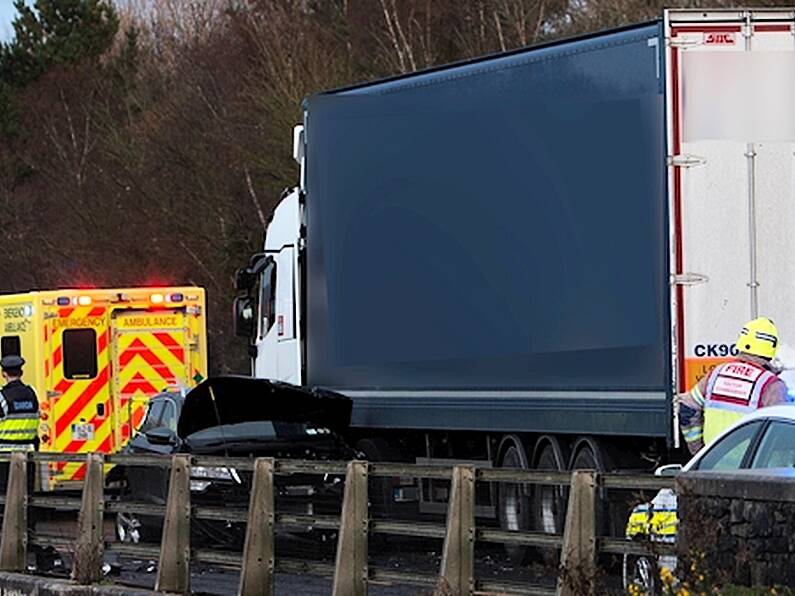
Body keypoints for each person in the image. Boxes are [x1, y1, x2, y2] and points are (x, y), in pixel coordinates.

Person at [678, 317, 789, 455]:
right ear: (772, 348)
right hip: (751, 471)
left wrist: (699, 452)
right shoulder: (771, 385)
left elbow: (687, 408)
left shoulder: (716, 374)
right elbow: (784, 433)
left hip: (713, 466)